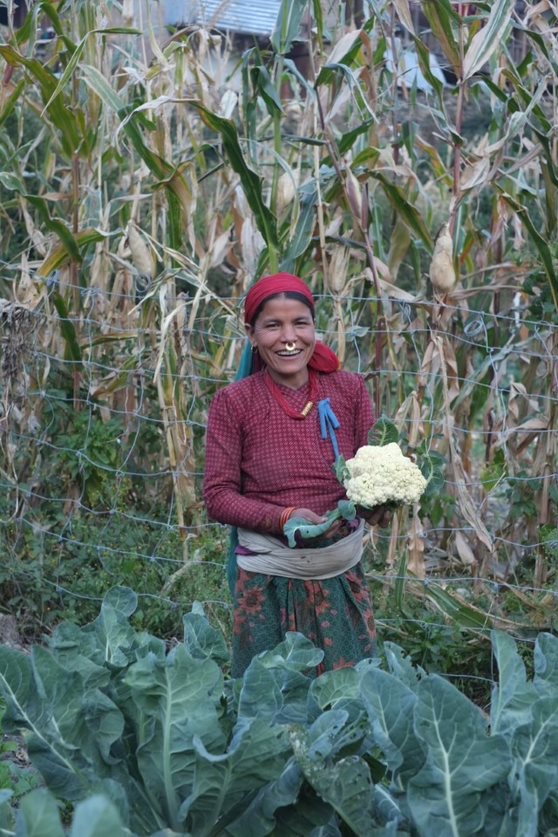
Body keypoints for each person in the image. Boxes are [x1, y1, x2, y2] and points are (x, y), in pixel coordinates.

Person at [203, 272, 391, 677]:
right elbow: (217, 496)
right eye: (273, 326)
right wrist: (283, 517)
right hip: (267, 584)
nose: (289, 337)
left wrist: (379, 504)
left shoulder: (349, 390)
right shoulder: (234, 402)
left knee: (350, 700)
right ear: (251, 334)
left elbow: (366, 472)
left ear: (314, 327)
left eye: (300, 323)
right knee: (270, 703)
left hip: (341, 578)